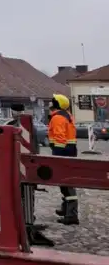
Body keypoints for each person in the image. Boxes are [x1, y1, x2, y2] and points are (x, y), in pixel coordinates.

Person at [48, 93, 79, 226]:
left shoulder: (58, 118)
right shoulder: (67, 116)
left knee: (66, 183)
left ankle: (71, 215)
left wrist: (57, 154)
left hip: (63, 152)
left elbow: (60, 138)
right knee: (65, 182)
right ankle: (66, 209)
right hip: (69, 151)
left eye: (53, 101)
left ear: (57, 104)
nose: (51, 103)